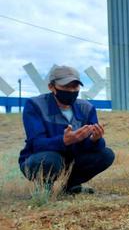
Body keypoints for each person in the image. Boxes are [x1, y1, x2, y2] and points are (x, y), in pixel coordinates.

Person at [19, 66, 115, 194]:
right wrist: (64, 141)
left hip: (72, 159)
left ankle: (71, 185)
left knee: (106, 154)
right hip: (39, 159)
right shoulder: (35, 105)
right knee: (50, 159)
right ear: (51, 87)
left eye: (75, 87)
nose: (71, 90)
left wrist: (95, 140)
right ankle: (44, 188)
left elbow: (94, 146)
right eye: (66, 87)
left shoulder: (86, 108)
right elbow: (36, 143)